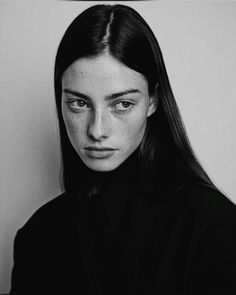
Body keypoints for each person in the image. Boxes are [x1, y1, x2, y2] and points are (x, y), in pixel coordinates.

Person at [10, 4, 236, 295]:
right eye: (79, 103)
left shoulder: (214, 229)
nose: (97, 130)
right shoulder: (37, 236)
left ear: (153, 101)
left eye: (122, 104)